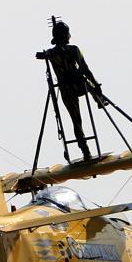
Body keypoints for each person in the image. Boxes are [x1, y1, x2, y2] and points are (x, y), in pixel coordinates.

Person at [36, 20, 105, 161]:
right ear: (63, 36)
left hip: (76, 85)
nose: (69, 36)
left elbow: (84, 69)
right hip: (68, 90)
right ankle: (85, 149)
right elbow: (84, 68)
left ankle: (99, 99)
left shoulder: (71, 50)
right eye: (67, 34)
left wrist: (96, 84)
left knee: (88, 86)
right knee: (76, 120)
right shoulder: (58, 52)